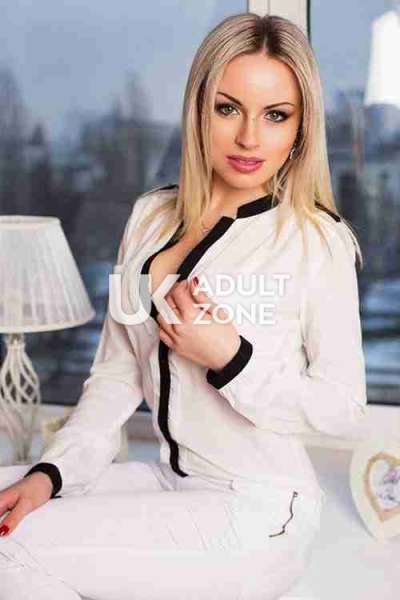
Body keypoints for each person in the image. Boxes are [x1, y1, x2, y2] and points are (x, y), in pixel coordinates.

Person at [0, 12, 367, 600]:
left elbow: (343, 409)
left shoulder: (316, 240)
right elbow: (116, 375)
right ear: (199, 109)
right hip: (170, 481)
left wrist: (232, 358)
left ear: (301, 128)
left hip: (260, 509)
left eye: (276, 115)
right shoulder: (149, 218)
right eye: (228, 108)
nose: (249, 138)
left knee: (10, 548)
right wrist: (52, 473)